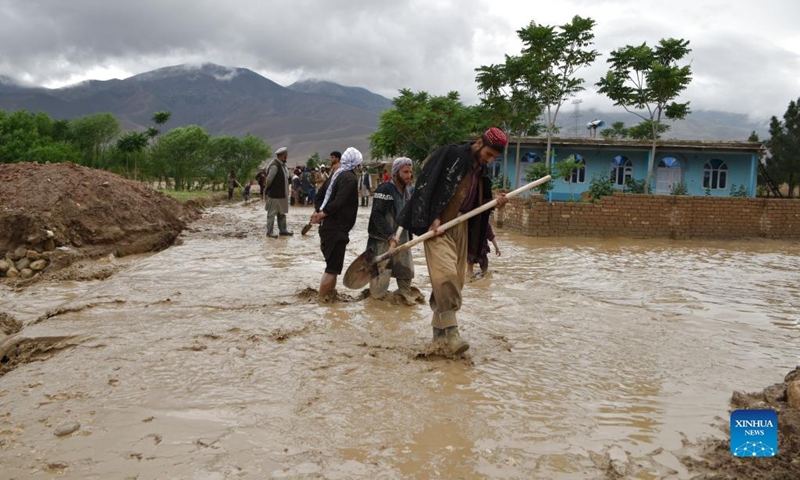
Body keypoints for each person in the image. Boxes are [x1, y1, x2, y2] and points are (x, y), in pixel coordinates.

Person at [396, 127, 509, 355]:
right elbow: (427, 184)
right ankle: (453, 333)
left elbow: (477, 203)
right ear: (479, 143)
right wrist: (432, 216)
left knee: (455, 281)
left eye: (494, 158)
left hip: (462, 228)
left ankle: (439, 337)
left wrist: (494, 201)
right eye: (488, 155)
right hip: (438, 227)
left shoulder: (482, 173)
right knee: (445, 276)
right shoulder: (452, 155)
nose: (489, 160)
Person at [366, 157, 421, 302]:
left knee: (405, 275)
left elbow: (412, 214)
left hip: (402, 240)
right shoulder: (384, 189)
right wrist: (389, 235)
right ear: (396, 173)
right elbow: (376, 215)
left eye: (410, 172)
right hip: (382, 240)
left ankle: (402, 299)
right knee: (378, 287)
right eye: (405, 172)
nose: (409, 175)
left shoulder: (409, 190)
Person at [311, 147, 361, 301]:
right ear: (356, 164)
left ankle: (328, 299)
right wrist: (324, 213)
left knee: (332, 267)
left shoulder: (335, 175)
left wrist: (320, 212)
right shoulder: (350, 179)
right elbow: (340, 201)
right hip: (336, 229)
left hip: (327, 228)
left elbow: (319, 196)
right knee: (332, 269)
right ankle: (322, 301)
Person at [264, 147, 293, 238]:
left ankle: (283, 230)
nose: (286, 157)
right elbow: (269, 180)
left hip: (282, 195)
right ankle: (270, 232)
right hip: (275, 195)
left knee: (282, 213)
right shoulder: (275, 165)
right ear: (282, 156)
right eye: (285, 155)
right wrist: (266, 190)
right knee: (271, 214)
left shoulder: (282, 165)